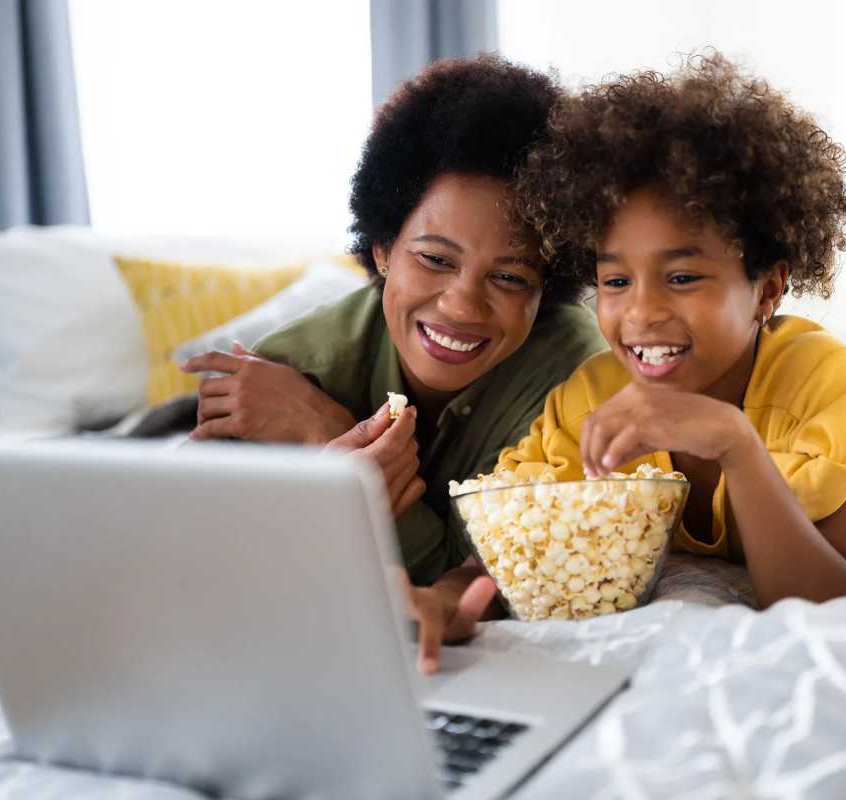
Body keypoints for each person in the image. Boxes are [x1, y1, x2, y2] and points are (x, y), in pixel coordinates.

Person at [483, 53, 846, 609]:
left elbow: (839, 597)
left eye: (682, 276)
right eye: (614, 281)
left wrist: (736, 443)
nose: (640, 313)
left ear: (766, 290)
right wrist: (448, 595)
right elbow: (509, 537)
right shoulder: (589, 398)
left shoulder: (824, 379)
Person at [179, 56, 606, 672]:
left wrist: (328, 445)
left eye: (510, 276)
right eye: (435, 259)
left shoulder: (576, 378)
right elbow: (187, 553)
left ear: (549, 286)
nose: (462, 304)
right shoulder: (295, 367)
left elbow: (494, 573)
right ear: (382, 249)